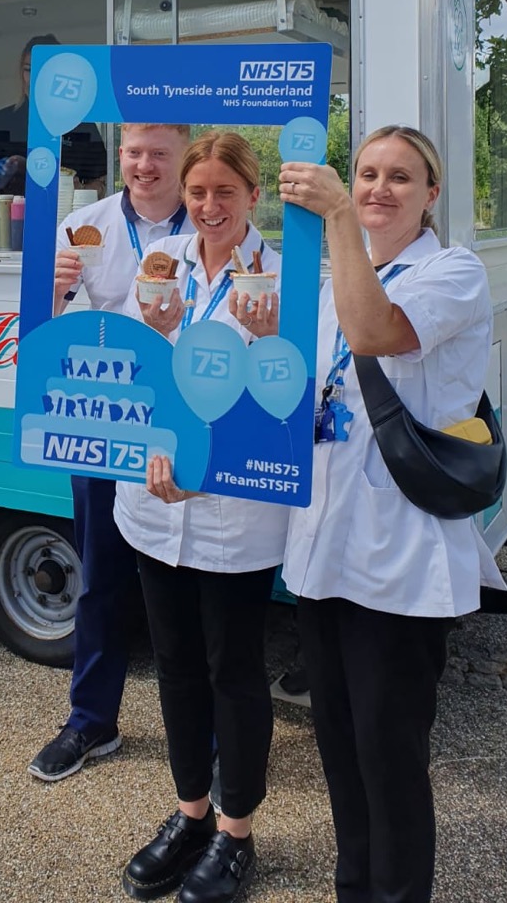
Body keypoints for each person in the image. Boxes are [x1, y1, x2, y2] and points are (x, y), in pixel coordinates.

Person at [279, 125, 504, 903]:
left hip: (400, 555)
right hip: (323, 545)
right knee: (338, 749)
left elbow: (377, 332)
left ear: (431, 195)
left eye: (400, 178)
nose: (378, 188)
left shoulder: (453, 271)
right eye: (367, 173)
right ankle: (354, 890)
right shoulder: (322, 284)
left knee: (389, 753)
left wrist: (338, 212)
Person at [114, 132, 285, 903]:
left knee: (234, 672)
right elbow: (133, 370)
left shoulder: (282, 277)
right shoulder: (162, 266)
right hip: (153, 505)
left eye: (224, 191)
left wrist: (265, 333)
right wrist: (159, 442)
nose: (209, 206)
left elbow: (286, 399)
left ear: (254, 194)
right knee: (176, 665)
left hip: (234, 515)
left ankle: (236, 832)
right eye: (197, 192)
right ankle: (190, 813)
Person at [28, 123, 194, 783]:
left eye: (159, 153)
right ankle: (90, 722)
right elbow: (38, 326)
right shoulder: (83, 223)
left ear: (184, 153)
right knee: (99, 578)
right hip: (103, 418)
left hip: (179, 422)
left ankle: (201, 729)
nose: (144, 165)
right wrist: (52, 284)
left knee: (185, 581)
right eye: (134, 153)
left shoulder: (212, 221)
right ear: (119, 155)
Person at [0, 34, 106, 197]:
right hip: (14, 219)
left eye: (43, 71)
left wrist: (78, 191)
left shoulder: (81, 125)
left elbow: (102, 183)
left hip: (66, 219)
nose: (34, 79)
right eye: (29, 70)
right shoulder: (0, 122)